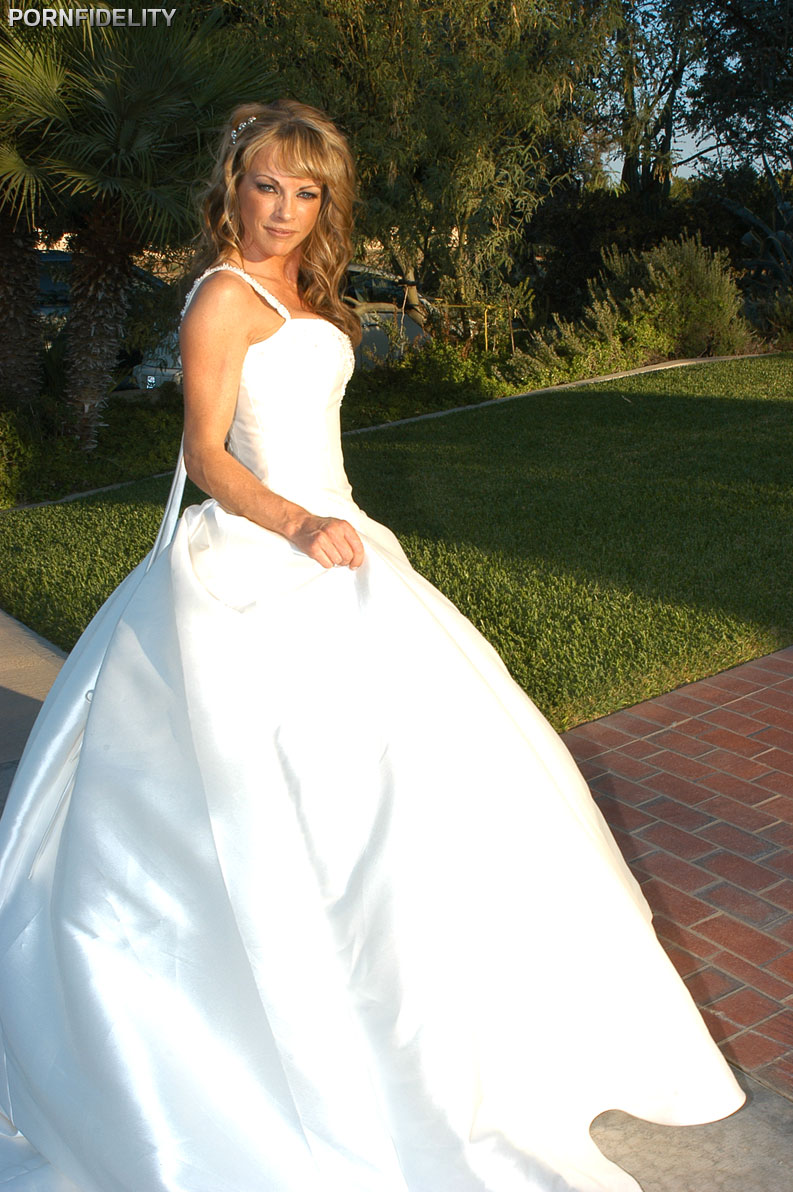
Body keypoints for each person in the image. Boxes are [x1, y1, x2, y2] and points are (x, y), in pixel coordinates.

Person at [0, 99, 744, 1192]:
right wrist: (296, 523)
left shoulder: (310, 293)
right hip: (269, 549)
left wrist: (328, 523)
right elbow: (205, 453)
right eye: (267, 186)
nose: (284, 210)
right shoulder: (222, 296)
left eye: (306, 193)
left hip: (348, 543)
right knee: (289, 794)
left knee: (430, 783)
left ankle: (472, 1042)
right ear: (232, 186)